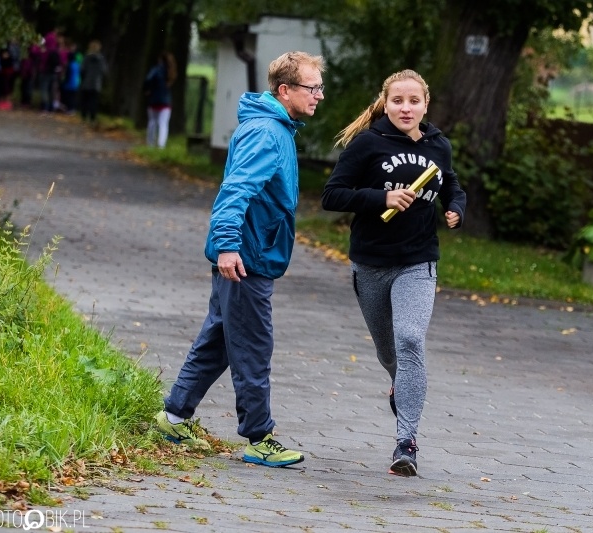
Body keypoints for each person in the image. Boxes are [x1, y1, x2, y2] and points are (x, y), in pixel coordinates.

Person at [154, 51, 326, 468]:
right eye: (312, 87)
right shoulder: (267, 132)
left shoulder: (277, 127)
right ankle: (259, 437)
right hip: (246, 257)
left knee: (219, 340)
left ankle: (174, 416)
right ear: (285, 91)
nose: (319, 95)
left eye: (321, 87)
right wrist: (229, 246)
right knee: (253, 345)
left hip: (250, 253)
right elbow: (234, 192)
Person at [321, 69, 466, 477]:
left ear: (426, 103)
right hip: (369, 263)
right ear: (385, 102)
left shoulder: (439, 145)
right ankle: (400, 388)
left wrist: (457, 207)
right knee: (390, 354)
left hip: (418, 261)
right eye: (397, 100)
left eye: (413, 101)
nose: (406, 108)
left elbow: (451, 184)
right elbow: (332, 195)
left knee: (410, 340)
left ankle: (407, 441)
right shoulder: (368, 143)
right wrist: (381, 197)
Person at [143, 51, 176, 148]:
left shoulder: (156, 69)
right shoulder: (171, 71)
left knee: (152, 122)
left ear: (160, 59)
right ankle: (161, 145)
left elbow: (148, 79)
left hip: (154, 99)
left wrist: (147, 89)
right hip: (166, 101)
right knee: (163, 124)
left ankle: (150, 144)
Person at [78, 40, 107, 123]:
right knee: (93, 101)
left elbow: (82, 69)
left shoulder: (86, 58)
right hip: (96, 83)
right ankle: (92, 118)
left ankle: (84, 116)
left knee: (85, 100)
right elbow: (104, 71)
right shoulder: (101, 59)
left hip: (86, 82)